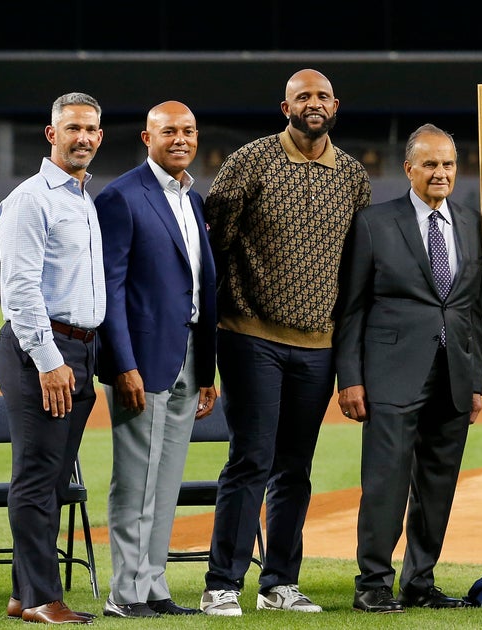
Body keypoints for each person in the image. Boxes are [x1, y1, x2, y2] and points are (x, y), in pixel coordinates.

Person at [199, 68, 372, 617]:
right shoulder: (250, 161)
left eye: (322, 96)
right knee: (251, 459)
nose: (313, 104)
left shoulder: (350, 175)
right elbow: (214, 246)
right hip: (252, 336)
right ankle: (222, 583)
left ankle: (279, 583)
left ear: (335, 105)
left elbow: (355, 268)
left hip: (319, 346)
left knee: (295, 467)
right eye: (303, 97)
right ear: (286, 106)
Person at [336, 124, 482, 614]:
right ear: (409, 169)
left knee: (438, 485)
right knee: (386, 482)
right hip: (390, 374)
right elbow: (352, 309)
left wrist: (477, 380)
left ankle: (419, 581)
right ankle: (373, 583)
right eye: (430, 164)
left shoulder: (471, 222)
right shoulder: (375, 223)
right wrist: (351, 378)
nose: (440, 173)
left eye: (447, 164)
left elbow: (473, 310)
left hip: (454, 374)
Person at [94, 101, 217, 618]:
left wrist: (207, 368)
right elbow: (110, 291)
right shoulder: (121, 197)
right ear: (148, 138)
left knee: (165, 482)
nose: (181, 139)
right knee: (136, 480)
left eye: (188, 131)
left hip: (189, 354)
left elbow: (202, 285)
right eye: (169, 132)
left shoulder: (194, 199)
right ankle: (125, 592)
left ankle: (154, 587)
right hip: (142, 360)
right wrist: (122, 364)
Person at [0, 92, 105, 625]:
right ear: (51, 134)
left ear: (99, 137)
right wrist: (46, 358)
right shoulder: (31, 199)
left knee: (55, 481)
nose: (82, 137)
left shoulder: (84, 198)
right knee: (37, 477)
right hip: (42, 347)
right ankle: (42, 598)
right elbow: (19, 290)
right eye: (72, 129)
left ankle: (23, 593)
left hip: (82, 348)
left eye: (90, 129)